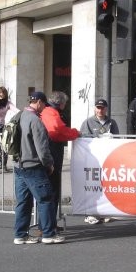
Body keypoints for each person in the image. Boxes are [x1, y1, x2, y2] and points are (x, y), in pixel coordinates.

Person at [13, 91, 64, 245]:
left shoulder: (18, 116)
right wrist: (49, 164)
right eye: (44, 105)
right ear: (40, 102)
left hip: (18, 165)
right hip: (33, 166)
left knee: (23, 202)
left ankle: (20, 235)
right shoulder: (35, 120)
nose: (44, 108)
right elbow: (42, 148)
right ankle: (48, 234)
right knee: (46, 199)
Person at [40, 91, 80, 232]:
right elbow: (57, 132)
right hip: (52, 155)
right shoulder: (51, 113)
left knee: (49, 191)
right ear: (60, 103)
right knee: (52, 191)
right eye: (65, 103)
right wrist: (75, 133)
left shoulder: (48, 111)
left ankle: (48, 224)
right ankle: (47, 226)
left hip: (51, 153)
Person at [80, 98, 119, 225]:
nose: (100, 110)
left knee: (106, 187)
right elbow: (83, 140)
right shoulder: (88, 122)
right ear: (94, 108)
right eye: (98, 107)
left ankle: (104, 212)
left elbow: (117, 139)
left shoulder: (112, 122)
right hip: (92, 160)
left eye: (102, 108)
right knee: (92, 187)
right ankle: (90, 213)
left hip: (107, 160)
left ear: (106, 109)